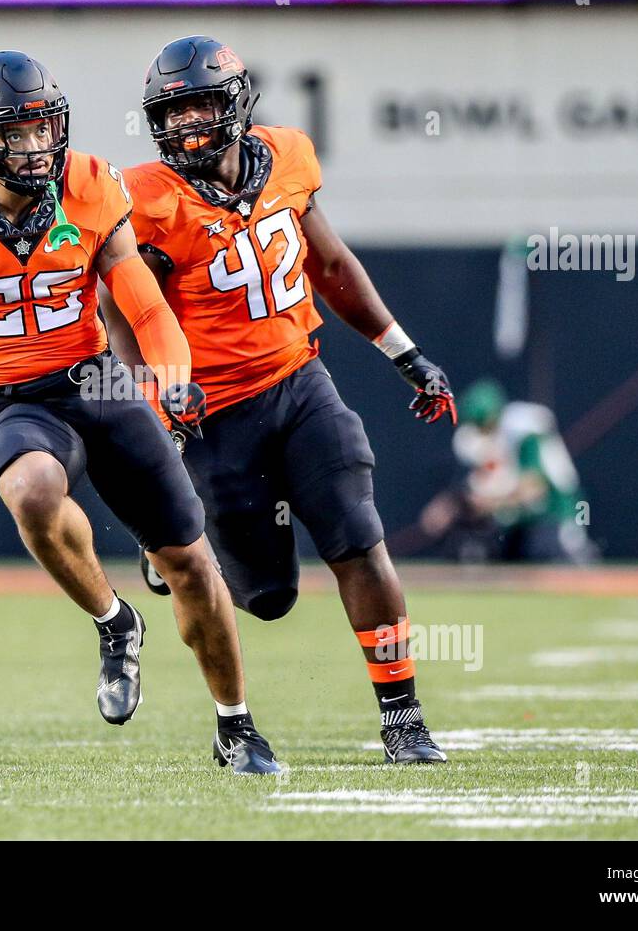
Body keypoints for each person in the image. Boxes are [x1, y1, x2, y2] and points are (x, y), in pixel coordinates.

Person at [0, 50, 282, 773]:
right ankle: (115, 623)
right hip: (23, 400)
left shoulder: (88, 185)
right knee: (27, 489)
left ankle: (235, 724)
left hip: (101, 385)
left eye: (43, 128)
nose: (37, 146)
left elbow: (143, 302)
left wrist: (173, 379)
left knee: (189, 560)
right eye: (17, 133)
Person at [103, 37, 455, 763]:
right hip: (210, 413)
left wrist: (404, 352)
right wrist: (152, 394)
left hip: (299, 384)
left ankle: (404, 721)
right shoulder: (147, 198)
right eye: (173, 112)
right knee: (267, 596)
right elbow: (125, 312)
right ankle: (165, 551)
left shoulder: (288, 156)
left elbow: (328, 262)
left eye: (201, 104)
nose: (188, 125)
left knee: (357, 535)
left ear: (236, 103)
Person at [420, 379, 595, 563]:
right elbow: (477, 483)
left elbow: (534, 489)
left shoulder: (524, 432)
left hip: (554, 512)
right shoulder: (479, 438)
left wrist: (490, 502)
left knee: (547, 557)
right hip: (516, 519)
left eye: (484, 425)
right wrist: (449, 506)